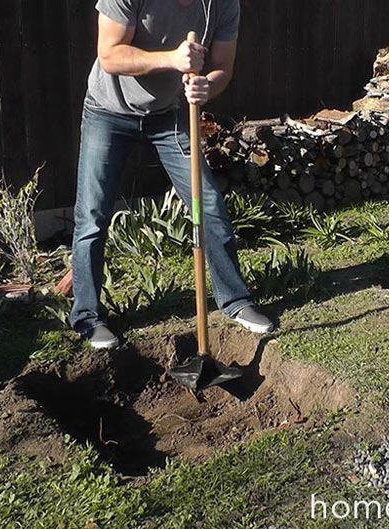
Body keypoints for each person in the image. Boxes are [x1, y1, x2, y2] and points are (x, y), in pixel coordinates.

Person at [70, 0, 273, 349]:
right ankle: (87, 317)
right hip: (108, 111)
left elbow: (223, 67)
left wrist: (208, 86)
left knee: (206, 202)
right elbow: (109, 55)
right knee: (92, 215)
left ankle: (235, 301)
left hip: (167, 114)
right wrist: (171, 59)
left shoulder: (222, 4)